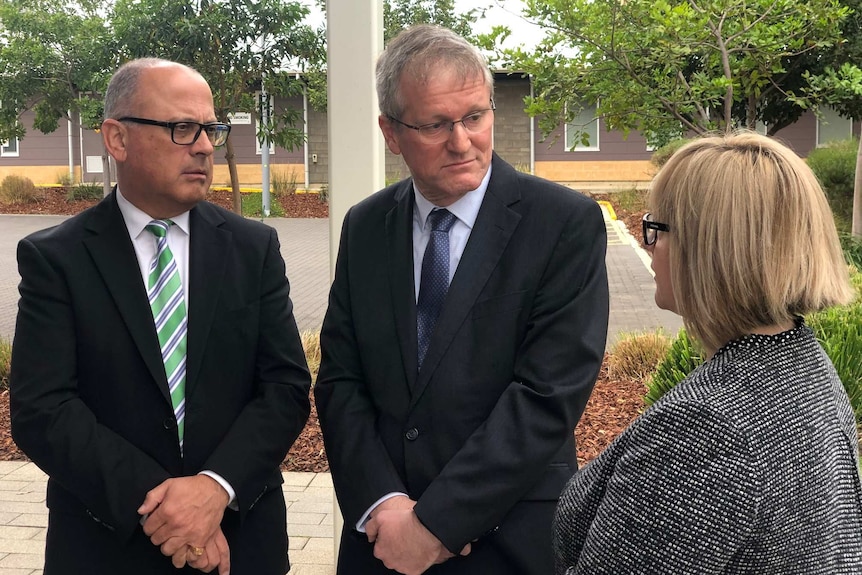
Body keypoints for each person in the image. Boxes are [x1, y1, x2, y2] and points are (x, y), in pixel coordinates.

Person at [314, 24, 609, 575]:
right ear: (391, 132)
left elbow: (548, 395)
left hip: (508, 541)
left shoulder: (563, 223)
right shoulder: (366, 226)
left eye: (475, 116)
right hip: (381, 542)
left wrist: (437, 524)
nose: (461, 140)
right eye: (435, 124)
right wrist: (383, 504)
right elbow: (340, 381)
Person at [9, 58, 311, 575]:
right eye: (181, 128)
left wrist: (214, 489)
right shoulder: (56, 259)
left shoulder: (253, 248)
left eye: (210, 128)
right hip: (107, 545)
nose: (204, 145)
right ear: (117, 138)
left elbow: (284, 387)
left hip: (242, 542)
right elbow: (43, 410)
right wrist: (169, 510)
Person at [554, 131, 862, 573]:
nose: (648, 244)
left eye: (656, 228)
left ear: (713, 250)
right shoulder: (805, 365)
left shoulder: (707, 428)